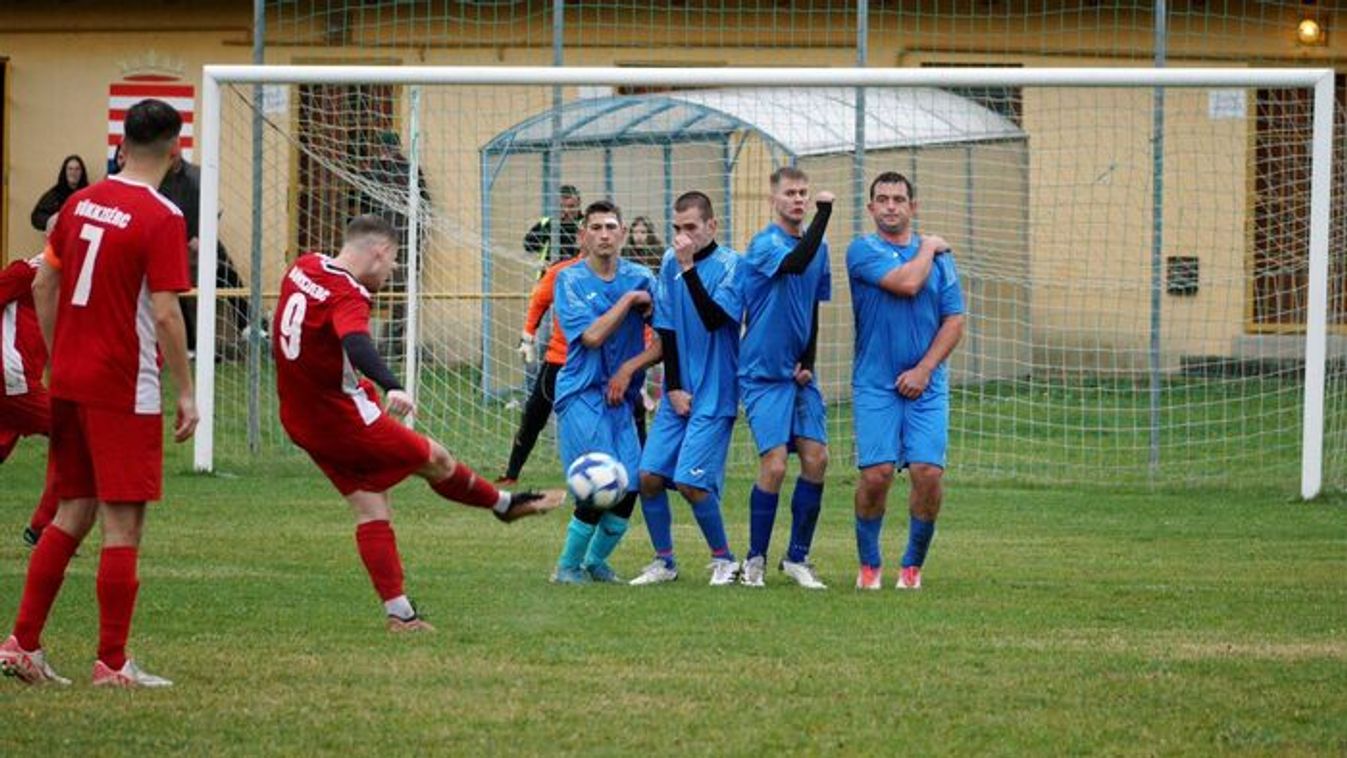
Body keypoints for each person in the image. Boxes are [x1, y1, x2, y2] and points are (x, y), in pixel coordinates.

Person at [273, 214, 563, 630]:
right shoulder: (350, 293)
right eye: (394, 261)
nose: (392, 272)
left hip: (300, 417)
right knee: (436, 459)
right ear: (379, 252)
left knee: (371, 505)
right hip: (344, 419)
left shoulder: (305, 265)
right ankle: (504, 504)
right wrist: (392, 385)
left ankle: (400, 615)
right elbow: (355, 341)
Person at [0, 99, 198, 688]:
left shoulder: (79, 203)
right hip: (123, 385)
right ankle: (112, 662)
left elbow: (44, 282)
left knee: (72, 511)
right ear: (175, 150)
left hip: (71, 381)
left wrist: (60, 354)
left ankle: (22, 644)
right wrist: (187, 391)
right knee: (123, 524)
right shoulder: (162, 216)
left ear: (121, 144)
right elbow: (166, 313)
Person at [848, 172, 964, 591]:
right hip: (875, 383)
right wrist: (929, 245)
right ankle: (869, 565)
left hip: (926, 384)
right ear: (871, 208)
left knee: (928, 472)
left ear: (913, 207)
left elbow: (955, 319)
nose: (891, 206)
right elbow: (908, 284)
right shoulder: (862, 250)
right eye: (883, 199)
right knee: (877, 475)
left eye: (899, 199)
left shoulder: (944, 262)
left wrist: (925, 369)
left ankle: (912, 567)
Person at [628, 192, 743, 587]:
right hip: (680, 390)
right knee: (648, 476)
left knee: (691, 482)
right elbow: (668, 327)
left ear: (712, 226)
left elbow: (714, 318)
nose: (682, 236)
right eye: (677, 228)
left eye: (691, 227)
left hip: (717, 390)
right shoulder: (668, 262)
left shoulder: (732, 266)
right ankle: (664, 562)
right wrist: (673, 388)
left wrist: (688, 267)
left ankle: (725, 560)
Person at [549, 200, 657, 584]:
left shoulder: (642, 277)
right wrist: (628, 301)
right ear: (583, 236)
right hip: (581, 392)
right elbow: (592, 337)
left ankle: (595, 562)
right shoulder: (569, 280)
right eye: (595, 228)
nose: (604, 234)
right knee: (600, 478)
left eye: (611, 227)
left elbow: (665, 340)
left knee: (631, 483)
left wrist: (629, 369)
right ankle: (566, 567)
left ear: (623, 233)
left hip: (622, 396)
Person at [737, 166, 834, 590]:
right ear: (773, 199)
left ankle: (797, 557)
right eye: (790, 193)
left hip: (797, 376)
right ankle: (754, 559)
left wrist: (808, 359)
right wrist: (825, 213)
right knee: (774, 466)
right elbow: (795, 265)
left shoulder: (819, 248)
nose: (798, 200)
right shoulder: (765, 244)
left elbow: (811, 305)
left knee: (817, 459)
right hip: (762, 373)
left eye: (803, 193)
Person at [156, 149, 249, 352]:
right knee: (177, 290)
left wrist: (201, 235)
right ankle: (190, 345)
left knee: (227, 275)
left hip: (203, 244)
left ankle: (248, 327)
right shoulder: (158, 180)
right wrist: (182, 240)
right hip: (174, 248)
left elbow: (211, 210)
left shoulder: (197, 176)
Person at [0, 255, 59, 548]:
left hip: (18, 384)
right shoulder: (27, 272)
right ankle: (44, 527)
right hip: (14, 382)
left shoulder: (72, 275)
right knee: (76, 436)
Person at [523, 184, 582, 269]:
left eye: (571, 206)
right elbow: (529, 246)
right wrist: (538, 262)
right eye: (561, 206)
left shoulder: (586, 225)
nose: (566, 211)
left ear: (579, 204)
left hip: (577, 275)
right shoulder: (547, 223)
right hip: (550, 275)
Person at [30, 155, 90, 234]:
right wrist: (50, 220)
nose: (73, 172)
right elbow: (36, 216)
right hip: (61, 238)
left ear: (82, 172)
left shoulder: (89, 193)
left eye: (77, 169)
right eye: (70, 169)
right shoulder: (54, 194)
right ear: (64, 172)